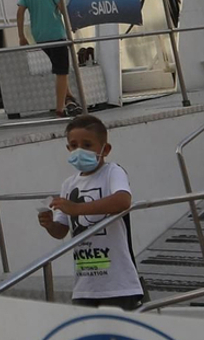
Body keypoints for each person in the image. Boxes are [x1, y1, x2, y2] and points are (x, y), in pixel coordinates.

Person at [37, 115, 144, 307]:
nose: (80, 150)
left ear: (105, 149)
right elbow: (61, 230)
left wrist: (77, 208)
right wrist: (49, 223)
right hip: (84, 284)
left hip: (118, 284)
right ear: (68, 149)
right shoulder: (68, 185)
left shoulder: (112, 172)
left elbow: (122, 200)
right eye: (74, 145)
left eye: (87, 145)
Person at [17, 0, 71, 117]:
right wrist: (71, 27)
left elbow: (19, 13)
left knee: (57, 66)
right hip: (56, 33)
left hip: (39, 36)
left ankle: (68, 96)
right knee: (62, 71)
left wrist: (21, 36)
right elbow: (62, 8)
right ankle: (60, 107)